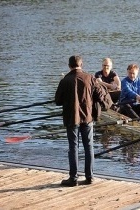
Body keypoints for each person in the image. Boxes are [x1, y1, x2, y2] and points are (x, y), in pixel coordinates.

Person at [55, 55, 96, 187]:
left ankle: (73, 178)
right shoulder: (90, 78)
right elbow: (100, 95)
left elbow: (58, 101)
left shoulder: (65, 80)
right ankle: (89, 177)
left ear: (69, 66)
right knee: (88, 146)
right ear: (81, 64)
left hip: (72, 118)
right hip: (88, 117)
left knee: (73, 146)